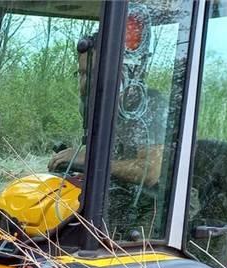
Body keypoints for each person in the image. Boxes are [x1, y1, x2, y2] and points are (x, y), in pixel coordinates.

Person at [47, 25, 169, 238]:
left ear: (121, 74)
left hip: (158, 204)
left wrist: (90, 160)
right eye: (81, 74)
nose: (83, 85)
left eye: (91, 74)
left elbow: (149, 172)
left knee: (123, 255)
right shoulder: (102, 106)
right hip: (118, 197)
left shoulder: (149, 106)